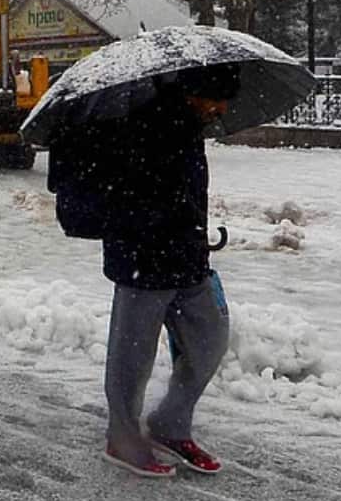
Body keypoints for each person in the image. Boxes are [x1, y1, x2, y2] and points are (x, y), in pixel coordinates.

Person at [46, 64, 238, 478]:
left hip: (188, 255)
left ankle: (170, 424)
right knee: (132, 359)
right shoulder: (135, 120)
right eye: (219, 99)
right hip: (142, 259)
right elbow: (122, 193)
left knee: (210, 340)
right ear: (198, 92)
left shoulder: (188, 124)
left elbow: (184, 188)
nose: (222, 108)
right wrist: (153, 218)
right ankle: (123, 436)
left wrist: (190, 226)